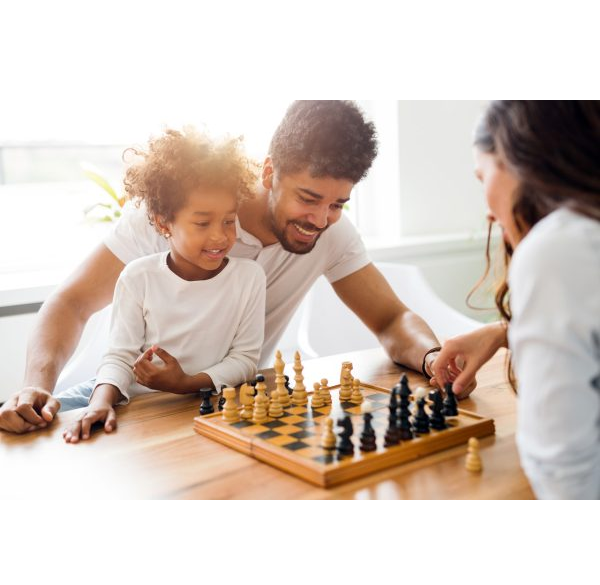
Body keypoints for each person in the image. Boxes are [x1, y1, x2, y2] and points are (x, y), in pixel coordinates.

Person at [0, 100, 474, 435]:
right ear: (270, 174)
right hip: (128, 399)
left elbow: (391, 320)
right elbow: (73, 301)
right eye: (309, 198)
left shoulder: (333, 232)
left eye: (338, 204)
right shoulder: (180, 213)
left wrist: (434, 358)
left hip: (220, 407)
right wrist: (33, 387)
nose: (321, 220)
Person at [431, 101, 600, 499]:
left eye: (481, 176)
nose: (488, 214)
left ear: (519, 161)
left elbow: (562, 470)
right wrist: (505, 331)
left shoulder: (558, 247)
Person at [59, 127, 265, 442]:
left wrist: (185, 383)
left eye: (228, 220)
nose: (220, 236)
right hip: (122, 393)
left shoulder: (249, 278)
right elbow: (119, 358)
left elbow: (245, 361)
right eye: (202, 223)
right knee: (39, 416)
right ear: (162, 222)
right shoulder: (137, 276)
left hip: (196, 397)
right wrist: (99, 403)